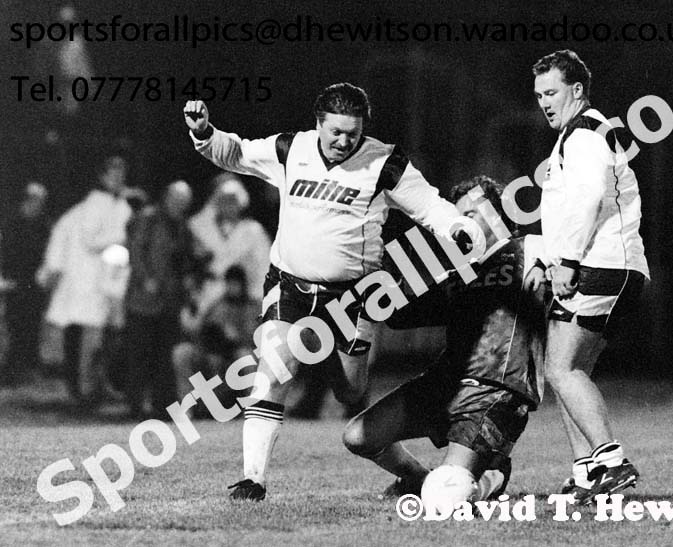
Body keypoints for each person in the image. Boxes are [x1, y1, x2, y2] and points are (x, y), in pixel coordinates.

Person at [183, 82, 481, 501]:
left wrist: (458, 227)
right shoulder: (291, 149)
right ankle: (253, 479)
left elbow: (429, 206)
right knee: (273, 371)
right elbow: (236, 153)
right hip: (289, 286)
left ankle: (413, 473)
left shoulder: (384, 162)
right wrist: (205, 134)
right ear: (317, 124)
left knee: (350, 393)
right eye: (335, 132)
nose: (343, 141)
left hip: (353, 297)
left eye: (352, 134)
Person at [343, 175, 548, 507]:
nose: (462, 223)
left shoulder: (533, 247)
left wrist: (552, 270)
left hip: (495, 392)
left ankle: (491, 477)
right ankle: (416, 477)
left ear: (499, 214)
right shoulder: (458, 273)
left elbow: (576, 265)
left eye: (472, 212)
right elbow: (398, 317)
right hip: (444, 386)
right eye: (458, 216)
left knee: (446, 497)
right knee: (357, 437)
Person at [531, 50, 650, 504]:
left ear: (576, 91)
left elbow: (588, 197)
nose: (544, 101)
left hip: (602, 264)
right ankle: (587, 474)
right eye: (539, 93)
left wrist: (566, 260)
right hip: (602, 263)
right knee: (567, 370)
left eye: (552, 91)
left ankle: (613, 462)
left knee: (561, 369)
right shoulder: (576, 134)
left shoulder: (583, 134)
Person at [39, 154, 132, 403]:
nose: (118, 178)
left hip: (106, 282)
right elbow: (91, 241)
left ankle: (93, 387)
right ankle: (80, 390)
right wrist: (123, 237)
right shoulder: (93, 205)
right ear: (102, 177)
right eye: (113, 173)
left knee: (99, 340)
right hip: (84, 283)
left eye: (122, 173)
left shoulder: (120, 205)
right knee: (81, 339)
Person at [123, 180, 196, 419]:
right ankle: (136, 405)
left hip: (169, 302)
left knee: (165, 355)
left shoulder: (183, 225)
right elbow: (135, 251)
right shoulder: (148, 218)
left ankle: (162, 405)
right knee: (140, 353)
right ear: (166, 197)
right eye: (176, 200)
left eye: (184, 202)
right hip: (143, 301)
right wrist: (146, 279)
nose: (180, 205)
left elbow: (184, 259)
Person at [173, 264, 258, 415]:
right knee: (181, 352)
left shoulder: (253, 307)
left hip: (238, 356)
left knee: (245, 356)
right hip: (212, 355)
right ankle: (187, 410)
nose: (233, 288)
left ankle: (253, 410)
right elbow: (199, 331)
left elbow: (256, 338)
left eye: (236, 284)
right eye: (230, 284)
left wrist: (236, 336)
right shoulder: (217, 306)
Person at [188, 173, 271, 309]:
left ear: (241, 202)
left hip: (243, 297)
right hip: (208, 296)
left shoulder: (254, 230)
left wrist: (258, 299)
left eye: (233, 200)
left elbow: (264, 267)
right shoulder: (201, 229)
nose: (228, 205)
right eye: (223, 200)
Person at [0, 182, 51, 386]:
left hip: (34, 282)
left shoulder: (43, 224)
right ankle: (12, 367)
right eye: (35, 199)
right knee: (14, 324)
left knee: (32, 324)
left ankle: (28, 365)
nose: (38, 204)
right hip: (14, 281)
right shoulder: (12, 223)